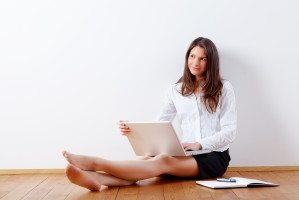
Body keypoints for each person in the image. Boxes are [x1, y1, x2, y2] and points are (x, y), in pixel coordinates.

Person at [62, 37, 237, 191]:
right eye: (192, 56)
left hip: (213, 156)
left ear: (210, 62)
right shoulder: (176, 90)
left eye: (202, 58)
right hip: (184, 153)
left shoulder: (224, 88)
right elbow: (159, 124)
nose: (195, 62)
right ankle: (97, 179)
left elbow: (230, 132)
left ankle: (96, 163)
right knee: (147, 159)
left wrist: (199, 144)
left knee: (162, 161)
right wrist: (133, 129)